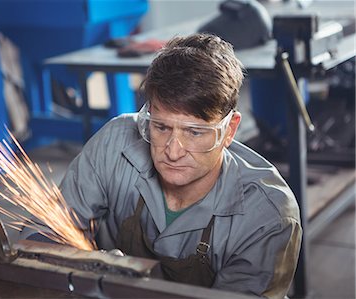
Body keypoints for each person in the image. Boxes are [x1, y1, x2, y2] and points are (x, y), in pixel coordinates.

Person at [26, 33, 302, 298]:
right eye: (161, 127)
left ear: (229, 130)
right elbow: (41, 235)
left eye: (194, 132)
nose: (172, 151)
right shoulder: (115, 143)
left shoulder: (268, 215)